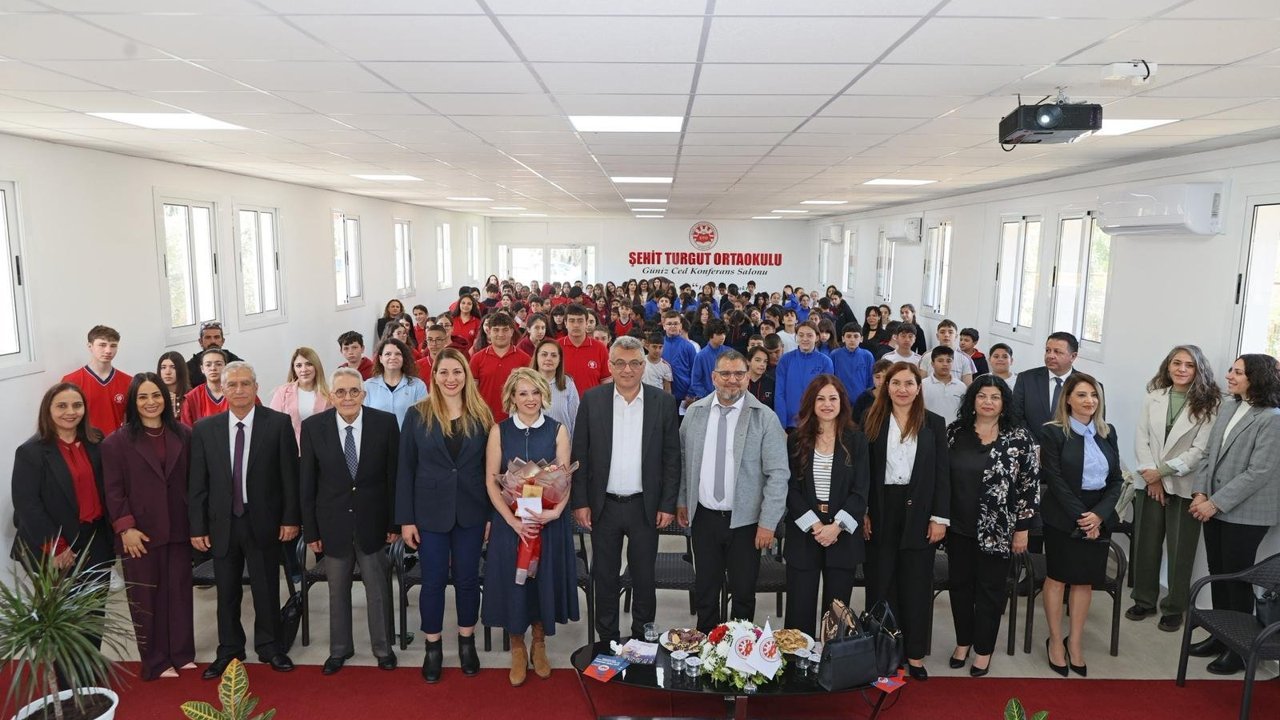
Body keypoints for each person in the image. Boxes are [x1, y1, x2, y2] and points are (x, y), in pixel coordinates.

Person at [188, 361, 299, 679]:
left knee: (266, 587)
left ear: (256, 388)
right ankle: (229, 649)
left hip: (264, 520)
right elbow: (198, 483)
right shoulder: (205, 429)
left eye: (245, 383)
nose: (239, 390)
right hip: (222, 523)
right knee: (226, 591)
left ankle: (270, 646)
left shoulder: (277, 424)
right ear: (222, 389)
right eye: (232, 384)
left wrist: (290, 519)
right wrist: (197, 526)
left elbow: (290, 477)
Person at [571, 335, 680, 642]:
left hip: (645, 506)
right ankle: (606, 639)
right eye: (620, 363)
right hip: (603, 505)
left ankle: (642, 638)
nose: (627, 370)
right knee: (604, 575)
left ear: (644, 366)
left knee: (644, 576)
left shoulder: (663, 403)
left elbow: (672, 458)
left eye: (634, 363)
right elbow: (580, 454)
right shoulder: (592, 400)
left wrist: (667, 504)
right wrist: (580, 501)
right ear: (610, 365)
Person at [396, 349, 491, 682]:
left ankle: (467, 642)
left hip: (471, 511)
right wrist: (406, 519)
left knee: (467, 580)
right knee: (433, 581)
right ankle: (432, 646)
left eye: (457, 372)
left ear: (466, 375)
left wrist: (490, 516)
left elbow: (489, 470)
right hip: (429, 513)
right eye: (444, 372)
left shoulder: (481, 413)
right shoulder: (417, 414)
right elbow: (405, 469)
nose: (451, 379)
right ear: (433, 376)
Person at [677, 351, 788, 632]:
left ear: (748, 377)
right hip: (704, 517)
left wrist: (768, 522)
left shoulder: (765, 418)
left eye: (739, 374)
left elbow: (778, 474)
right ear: (713, 377)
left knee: (743, 593)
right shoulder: (695, 413)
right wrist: (681, 501)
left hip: (746, 523)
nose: (732, 380)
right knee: (705, 589)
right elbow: (683, 461)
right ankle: (706, 643)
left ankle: (739, 647)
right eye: (725, 374)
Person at [300, 368, 399, 675]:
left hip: (374, 522)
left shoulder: (385, 424)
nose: (347, 397)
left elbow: (393, 478)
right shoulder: (313, 427)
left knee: (377, 589)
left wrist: (394, 524)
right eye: (340, 392)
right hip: (332, 525)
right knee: (337, 590)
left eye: (354, 391)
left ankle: (383, 649)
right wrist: (311, 531)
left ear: (363, 394)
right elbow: (307, 484)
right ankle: (339, 649)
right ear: (331, 396)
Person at [1186, 354, 1280, 675]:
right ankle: (1219, 636)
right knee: (1218, 572)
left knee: (1236, 579)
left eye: (1238, 372)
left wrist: (1214, 503)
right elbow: (1208, 455)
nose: (1229, 375)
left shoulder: (1272, 418)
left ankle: (1239, 649)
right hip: (1213, 504)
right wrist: (1200, 493)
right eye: (1231, 370)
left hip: (1246, 513)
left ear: (1257, 378)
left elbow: (1259, 472)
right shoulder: (1228, 407)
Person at [483, 368, 578, 687]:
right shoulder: (499, 431)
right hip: (510, 525)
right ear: (511, 397)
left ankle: (539, 644)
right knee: (514, 583)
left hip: (547, 523)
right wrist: (511, 521)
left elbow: (565, 479)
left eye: (535, 392)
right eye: (522, 393)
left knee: (541, 582)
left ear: (544, 395)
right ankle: (517, 648)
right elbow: (491, 481)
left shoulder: (557, 430)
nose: (530, 399)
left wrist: (555, 512)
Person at [11, 383, 114, 672]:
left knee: (95, 611)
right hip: (56, 545)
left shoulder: (96, 441)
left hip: (96, 539)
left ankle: (90, 671)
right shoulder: (31, 452)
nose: (71, 412)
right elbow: (27, 505)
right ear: (48, 410)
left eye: (77, 405)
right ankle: (69, 680)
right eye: (62, 406)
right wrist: (56, 547)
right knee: (66, 617)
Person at [101, 373, 195, 680]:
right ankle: (155, 661)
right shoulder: (116, 442)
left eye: (156, 395)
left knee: (179, 592)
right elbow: (113, 491)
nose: (150, 402)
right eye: (142, 397)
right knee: (145, 599)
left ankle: (181, 653)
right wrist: (125, 527)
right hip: (139, 532)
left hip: (179, 526)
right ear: (133, 401)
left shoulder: (184, 434)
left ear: (166, 399)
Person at [945, 376, 1040, 677]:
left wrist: (1022, 529)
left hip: (999, 530)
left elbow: (1029, 486)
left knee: (990, 590)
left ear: (1004, 403)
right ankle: (963, 642)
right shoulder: (955, 432)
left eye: (995, 397)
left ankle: (983, 650)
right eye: (982, 396)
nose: (988, 402)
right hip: (958, 526)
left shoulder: (1020, 438)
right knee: (960, 587)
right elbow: (941, 478)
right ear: (972, 400)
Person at [862, 361, 949, 680]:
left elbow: (942, 473)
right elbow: (863, 470)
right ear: (886, 387)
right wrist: (863, 511)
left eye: (908, 383)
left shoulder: (934, 423)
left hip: (920, 511)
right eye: (895, 383)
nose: (902, 389)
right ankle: (884, 652)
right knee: (881, 582)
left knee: (916, 584)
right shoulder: (871, 419)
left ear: (918, 387)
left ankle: (914, 654)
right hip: (881, 508)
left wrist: (939, 517)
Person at [1126, 345, 1220, 634]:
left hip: (1184, 486)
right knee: (1146, 544)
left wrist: (1162, 472)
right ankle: (1144, 599)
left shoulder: (1211, 404)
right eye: (1176, 363)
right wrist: (1151, 477)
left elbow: (1199, 451)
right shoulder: (1153, 396)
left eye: (1189, 365)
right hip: (1149, 483)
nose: (1181, 369)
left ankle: (1174, 607)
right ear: (1167, 366)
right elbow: (1141, 438)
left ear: (1199, 370)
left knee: (1181, 551)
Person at [1038, 372, 1123, 678]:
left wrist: (1098, 515)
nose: (1090, 401)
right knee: (1058, 578)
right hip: (1063, 516)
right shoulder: (1053, 432)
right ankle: (1055, 640)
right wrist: (1083, 517)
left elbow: (1116, 480)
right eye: (1083, 395)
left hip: (1099, 514)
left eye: (1094, 395)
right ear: (1068, 399)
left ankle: (1074, 642)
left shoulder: (1107, 432)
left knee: (1084, 581)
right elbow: (1055, 480)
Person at [783, 374, 870, 637]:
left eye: (833, 398)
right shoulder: (796, 439)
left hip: (842, 535)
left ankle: (833, 658)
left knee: (836, 613)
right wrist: (815, 525)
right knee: (799, 607)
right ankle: (798, 658)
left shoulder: (856, 440)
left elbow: (861, 491)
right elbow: (791, 489)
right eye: (820, 399)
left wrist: (836, 527)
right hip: (805, 532)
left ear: (842, 402)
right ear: (811, 402)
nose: (827, 404)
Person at [63, 325, 132, 436]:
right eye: (102, 345)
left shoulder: (128, 381)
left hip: (116, 442)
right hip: (84, 441)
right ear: (90, 346)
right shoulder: (71, 381)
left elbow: (129, 418)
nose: (108, 350)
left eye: (113, 345)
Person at [470, 311, 532, 423]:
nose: (500, 334)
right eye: (496, 330)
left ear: (512, 332)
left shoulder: (525, 359)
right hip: (484, 420)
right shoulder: (477, 359)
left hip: (516, 420)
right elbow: (471, 392)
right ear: (489, 331)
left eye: (505, 330)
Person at [1012, 332, 1079, 433]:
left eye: (1057, 352)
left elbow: (1093, 424)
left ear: (1073, 356)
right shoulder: (1026, 379)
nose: (1050, 356)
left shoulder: (1087, 384)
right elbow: (1016, 416)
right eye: (1048, 350)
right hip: (1031, 440)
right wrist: (1031, 441)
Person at [774, 323, 834, 430]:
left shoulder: (825, 362)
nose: (805, 339)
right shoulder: (785, 360)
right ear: (796, 337)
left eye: (809, 335)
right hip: (789, 424)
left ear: (817, 337)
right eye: (801, 335)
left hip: (815, 423)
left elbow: (827, 395)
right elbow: (779, 394)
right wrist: (781, 425)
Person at [268, 347, 331, 445]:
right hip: (291, 448)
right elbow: (272, 425)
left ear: (316, 366)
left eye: (309, 364)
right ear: (294, 369)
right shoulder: (282, 392)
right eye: (299, 365)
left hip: (321, 447)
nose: (304, 369)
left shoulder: (329, 394)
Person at [363, 338, 427, 428]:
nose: (393, 357)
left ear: (403, 358)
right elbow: (364, 418)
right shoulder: (368, 386)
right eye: (388, 354)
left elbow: (423, 418)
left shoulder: (418, 385)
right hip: (377, 436)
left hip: (407, 436)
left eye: (398, 354)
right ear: (380, 358)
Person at [558, 303, 611, 398]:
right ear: (565, 323)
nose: (576, 325)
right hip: (562, 404)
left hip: (592, 404)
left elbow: (606, 382)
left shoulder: (600, 348)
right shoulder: (556, 347)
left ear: (586, 323)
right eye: (571, 321)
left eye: (580, 321)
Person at [532, 339, 578, 439]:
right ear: (536, 357)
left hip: (561, 444)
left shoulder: (568, 383)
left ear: (560, 359)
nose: (548, 358)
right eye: (544, 354)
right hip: (531, 445)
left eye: (553, 355)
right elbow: (515, 418)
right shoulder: (524, 383)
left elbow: (575, 420)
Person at [179, 348, 228, 426]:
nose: (213, 368)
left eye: (218, 364)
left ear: (225, 367)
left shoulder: (236, 392)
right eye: (208, 365)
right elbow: (186, 430)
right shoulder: (192, 398)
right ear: (202, 369)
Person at [186, 321, 243, 387]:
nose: (213, 341)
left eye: (216, 337)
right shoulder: (189, 368)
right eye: (208, 337)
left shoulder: (236, 364)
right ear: (200, 341)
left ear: (223, 341)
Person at [661, 310, 697, 411]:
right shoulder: (659, 345)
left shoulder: (689, 347)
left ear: (680, 326)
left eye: (676, 323)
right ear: (664, 326)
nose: (672, 326)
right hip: (662, 394)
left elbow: (695, 372)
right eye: (669, 324)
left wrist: (691, 394)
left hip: (684, 396)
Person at [917, 320, 975, 384]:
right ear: (937, 336)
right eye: (942, 332)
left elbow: (968, 386)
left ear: (956, 336)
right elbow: (921, 383)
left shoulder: (965, 359)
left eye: (950, 332)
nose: (946, 335)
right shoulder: (927, 356)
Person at [921, 346, 967, 424]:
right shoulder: (923, 385)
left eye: (949, 361)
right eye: (940, 361)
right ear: (932, 364)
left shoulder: (961, 387)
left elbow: (964, 411)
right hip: (929, 428)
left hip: (954, 429)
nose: (945, 364)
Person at [831, 323, 874, 401]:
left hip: (862, 400)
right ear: (843, 338)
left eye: (856, 336)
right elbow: (831, 378)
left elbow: (871, 380)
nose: (852, 339)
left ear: (861, 339)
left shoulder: (867, 356)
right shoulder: (835, 355)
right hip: (840, 400)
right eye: (848, 336)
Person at [689, 319, 730, 400]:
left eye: (724, 333)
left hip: (728, 397)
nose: (723, 337)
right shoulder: (701, 356)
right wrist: (707, 397)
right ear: (710, 334)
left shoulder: (730, 352)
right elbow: (695, 382)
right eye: (719, 334)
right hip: (708, 400)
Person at [852, 359, 894, 425]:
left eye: (885, 377)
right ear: (872, 377)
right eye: (877, 377)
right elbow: (855, 422)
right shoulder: (864, 398)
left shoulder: (896, 397)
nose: (881, 381)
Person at [157, 350, 191, 421]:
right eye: (163, 367)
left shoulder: (191, 396)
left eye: (173, 367)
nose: (167, 372)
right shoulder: (155, 396)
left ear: (181, 370)